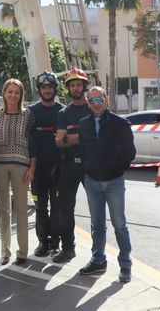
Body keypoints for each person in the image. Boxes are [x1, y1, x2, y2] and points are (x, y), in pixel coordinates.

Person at [78, 86, 136, 283]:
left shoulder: (120, 124)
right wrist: (87, 170)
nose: (96, 103)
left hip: (114, 181)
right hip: (92, 182)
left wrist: (117, 169)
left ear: (106, 98)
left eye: (99, 99)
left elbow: (130, 152)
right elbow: (83, 150)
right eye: (91, 100)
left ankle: (125, 265)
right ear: (87, 102)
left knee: (119, 224)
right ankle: (98, 260)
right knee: (97, 224)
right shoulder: (83, 124)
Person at [0, 79, 36, 266]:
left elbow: (34, 143)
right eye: (10, 91)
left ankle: (22, 251)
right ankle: (5, 252)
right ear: (4, 93)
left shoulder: (29, 115)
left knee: (22, 209)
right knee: (3, 210)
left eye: (17, 92)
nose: (13, 95)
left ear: (21, 95)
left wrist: (32, 167)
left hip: (21, 165)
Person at [53, 68, 90, 263]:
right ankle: (68, 249)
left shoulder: (93, 108)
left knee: (97, 211)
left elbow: (97, 138)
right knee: (65, 210)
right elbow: (59, 141)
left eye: (79, 84)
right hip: (68, 166)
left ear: (84, 86)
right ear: (68, 88)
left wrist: (70, 137)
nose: (76, 88)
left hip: (90, 166)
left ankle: (97, 254)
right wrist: (83, 137)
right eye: (72, 85)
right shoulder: (63, 113)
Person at [28, 71, 63, 257]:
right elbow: (28, 139)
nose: (47, 90)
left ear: (55, 89)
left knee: (57, 208)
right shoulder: (32, 112)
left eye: (50, 87)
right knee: (40, 207)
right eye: (44, 87)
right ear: (39, 90)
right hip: (38, 170)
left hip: (58, 169)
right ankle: (43, 242)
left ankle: (56, 243)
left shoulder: (63, 110)